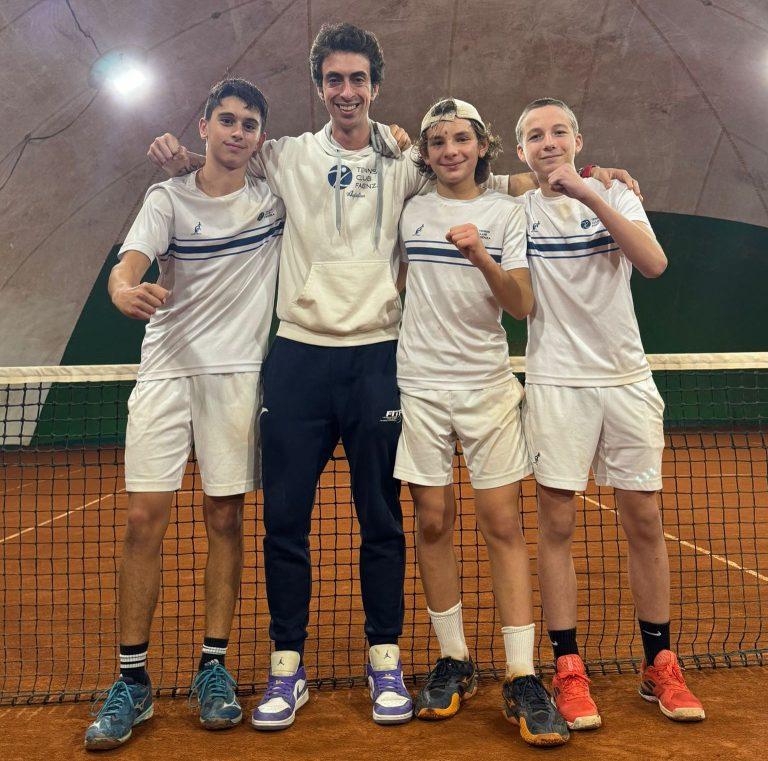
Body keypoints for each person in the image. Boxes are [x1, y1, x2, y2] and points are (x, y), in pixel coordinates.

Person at [148, 23, 638, 730]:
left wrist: (593, 175)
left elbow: (484, 178)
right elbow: (222, 163)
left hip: (379, 362)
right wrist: (181, 152)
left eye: (358, 80)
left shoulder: (407, 162)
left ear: (376, 86)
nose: (346, 92)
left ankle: (390, 657)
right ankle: (288, 667)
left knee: (384, 521)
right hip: (297, 361)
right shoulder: (283, 155)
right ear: (319, 87)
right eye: (334, 80)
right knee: (285, 523)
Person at [84, 78, 284, 750]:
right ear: (202, 125)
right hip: (166, 371)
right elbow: (131, 261)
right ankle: (132, 679)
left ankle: (213, 667)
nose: (236, 131)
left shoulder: (274, 201)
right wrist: (122, 288)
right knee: (144, 517)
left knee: (225, 516)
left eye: (249, 124)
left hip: (236, 379)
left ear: (259, 137)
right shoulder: (166, 197)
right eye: (225, 119)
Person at [515, 97, 706, 730]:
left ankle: (660, 662)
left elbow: (652, 263)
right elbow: (468, 180)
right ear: (522, 151)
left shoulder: (617, 197)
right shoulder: (518, 211)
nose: (549, 142)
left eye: (559, 131)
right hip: (556, 383)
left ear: (577, 138)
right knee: (557, 523)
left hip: (626, 379)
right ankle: (568, 667)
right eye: (536, 136)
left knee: (645, 517)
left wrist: (594, 192)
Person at [395, 98, 569, 747]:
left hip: (489, 388)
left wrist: (480, 257)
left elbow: (522, 303)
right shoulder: (407, 210)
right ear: (426, 151)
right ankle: (454, 658)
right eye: (437, 140)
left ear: (480, 144)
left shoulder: (506, 213)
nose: (449, 149)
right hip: (420, 387)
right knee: (432, 519)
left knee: (502, 522)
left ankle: (522, 674)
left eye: (460, 138)